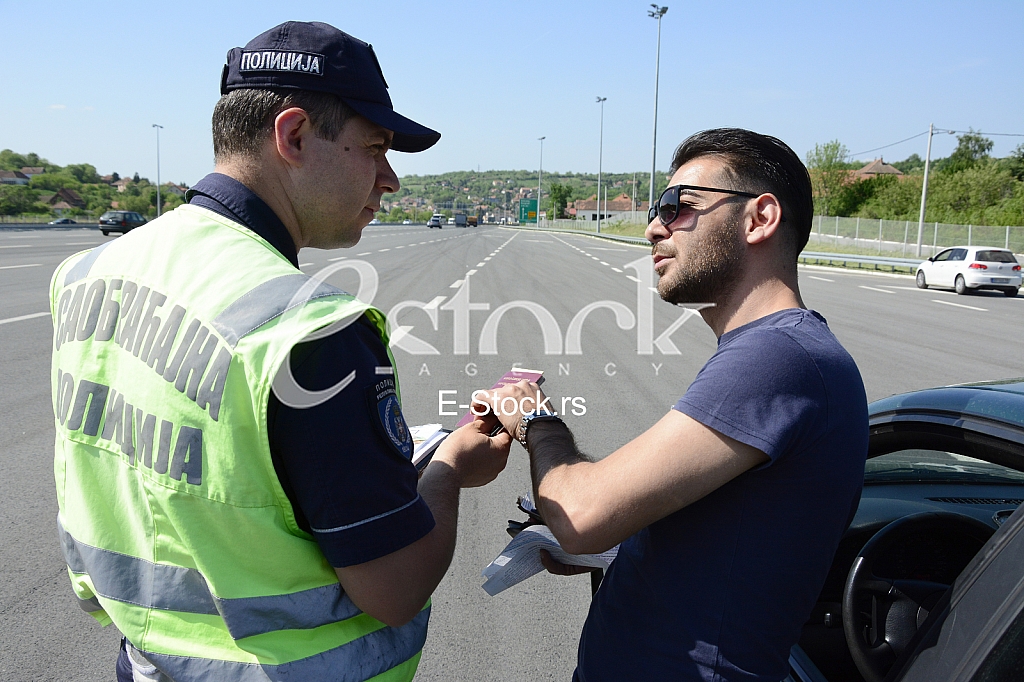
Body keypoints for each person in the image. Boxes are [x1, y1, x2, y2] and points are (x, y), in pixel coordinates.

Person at [49, 21, 511, 681]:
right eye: (375, 147)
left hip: (145, 659)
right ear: (292, 136)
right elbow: (393, 589)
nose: (391, 180)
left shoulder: (89, 272)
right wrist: (446, 473)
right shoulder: (307, 330)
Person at [487, 129, 868, 681]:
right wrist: (618, 553)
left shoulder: (777, 356)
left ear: (759, 218)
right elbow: (741, 538)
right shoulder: (777, 353)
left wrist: (535, 420)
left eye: (679, 206)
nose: (653, 227)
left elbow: (582, 515)